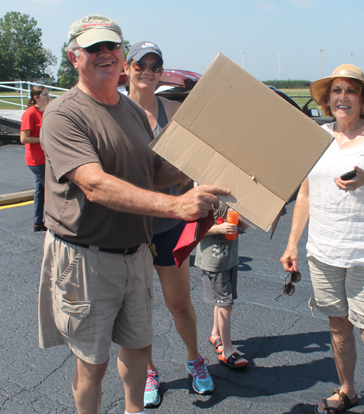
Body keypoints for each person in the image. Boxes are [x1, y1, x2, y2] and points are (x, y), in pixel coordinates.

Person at [38, 15, 229, 414]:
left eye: (111, 46)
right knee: (93, 364)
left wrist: (215, 164)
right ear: (75, 57)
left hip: (136, 253)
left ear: (121, 53)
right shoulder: (63, 114)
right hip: (86, 258)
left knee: (139, 349)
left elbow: (155, 173)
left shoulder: (131, 111)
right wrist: (177, 205)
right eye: (93, 48)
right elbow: (95, 184)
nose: (104, 54)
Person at [280, 64, 364, 414]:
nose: (342, 97)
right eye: (336, 90)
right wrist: (293, 243)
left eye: (350, 90)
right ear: (327, 99)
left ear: (363, 99)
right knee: (338, 327)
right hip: (323, 252)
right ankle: (347, 391)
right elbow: (306, 195)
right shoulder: (319, 136)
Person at [124, 41, 214, 406]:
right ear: (126, 68)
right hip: (130, 228)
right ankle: (148, 371)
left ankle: (195, 360)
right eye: (140, 64)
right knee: (138, 309)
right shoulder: (113, 111)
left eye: (155, 66)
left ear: (162, 72)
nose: (147, 71)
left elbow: (202, 157)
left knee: (179, 303)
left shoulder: (174, 110)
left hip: (170, 224)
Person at [195, 201, 249, 369]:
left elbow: (245, 226)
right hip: (214, 261)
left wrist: (241, 213)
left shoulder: (236, 197)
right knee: (225, 303)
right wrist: (219, 229)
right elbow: (195, 228)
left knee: (222, 300)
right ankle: (227, 349)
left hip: (230, 258)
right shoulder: (205, 196)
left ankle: (215, 334)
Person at [20, 85, 50, 231]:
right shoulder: (30, 113)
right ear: (36, 98)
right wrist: (43, 138)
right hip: (36, 160)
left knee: (41, 191)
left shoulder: (44, 111)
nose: (48, 96)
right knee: (52, 190)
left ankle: (38, 221)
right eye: (44, 94)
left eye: (48, 93)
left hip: (45, 158)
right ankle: (56, 221)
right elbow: (24, 138)